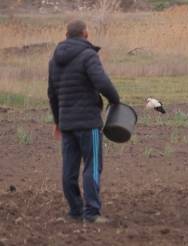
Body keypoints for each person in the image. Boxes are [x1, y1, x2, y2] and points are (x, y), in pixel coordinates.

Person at [48, 20, 120, 223]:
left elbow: (52, 93)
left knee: (69, 169)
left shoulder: (54, 60)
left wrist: (57, 121)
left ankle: (75, 211)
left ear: (66, 34)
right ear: (85, 33)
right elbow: (102, 82)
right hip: (88, 123)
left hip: (67, 123)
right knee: (92, 167)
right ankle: (92, 213)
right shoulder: (88, 55)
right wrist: (115, 100)